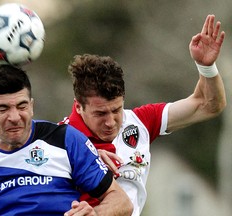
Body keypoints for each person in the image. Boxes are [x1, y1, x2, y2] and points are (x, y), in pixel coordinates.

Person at [60, 14, 226, 215]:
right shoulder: (60, 141)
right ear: (79, 107)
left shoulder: (140, 122)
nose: (111, 122)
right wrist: (79, 156)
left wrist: (206, 67)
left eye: (116, 110)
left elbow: (209, 105)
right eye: (100, 113)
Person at [0, 65, 133, 216]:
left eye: (21, 106)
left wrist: (95, 214)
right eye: (3, 108)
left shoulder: (65, 139)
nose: (14, 117)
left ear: (31, 106)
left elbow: (122, 201)